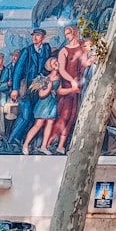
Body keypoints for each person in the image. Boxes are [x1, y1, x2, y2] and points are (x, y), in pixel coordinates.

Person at [9, 28, 52, 147]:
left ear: (42, 38)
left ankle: (25, 143)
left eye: (38, 36)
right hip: (26, 89)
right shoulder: (27, 51)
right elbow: (18, 70)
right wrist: (15, 88)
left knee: (34, 117)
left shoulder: (46, 49)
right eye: (34, 35)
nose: (35, 38)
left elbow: (47, 67)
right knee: (25, 117)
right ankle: (11, 142)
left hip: (38, 90)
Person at [50, 25, 86, 153]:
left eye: (68, 33)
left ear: (75, 33)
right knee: (63, 116)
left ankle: (61, 145)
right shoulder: (64, 51)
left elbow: (84, 65)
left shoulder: (82, 49)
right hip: (67, 86)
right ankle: (50, 141)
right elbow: (61, 70)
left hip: (78, 87)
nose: (67, 36)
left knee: (72, 116)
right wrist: (71, 81)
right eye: (65, 34)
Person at [24, 57, 60, 155]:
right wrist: (50, 87)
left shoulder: (60, 78)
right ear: (50, 67)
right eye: (53, 63)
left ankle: (43, 146)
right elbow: (41, 94)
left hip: (52, 104)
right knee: (38, 125)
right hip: (43, 104)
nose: (56, 64)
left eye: (57, 62)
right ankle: (26, 144)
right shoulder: (46, 79)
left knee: (49, 124)